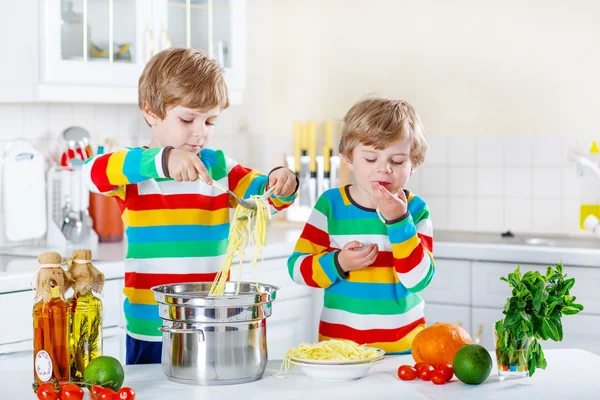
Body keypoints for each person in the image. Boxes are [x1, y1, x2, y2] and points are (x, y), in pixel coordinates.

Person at [83, 48, 299, 364]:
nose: (200, 132)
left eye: (210, 121)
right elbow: (92, 172)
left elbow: (268, 197)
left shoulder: (219, 168)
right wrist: (163, 160)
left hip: (212, 325)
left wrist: (284, 180)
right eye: (187, 118)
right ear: (151, 113)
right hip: (151, 329)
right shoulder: (137, 172)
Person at [287, 97, 434, 354]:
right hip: (340, 351)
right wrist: (338, 263)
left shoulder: (416, 209)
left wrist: (399, 221)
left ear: (413, 165)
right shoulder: (331, 205)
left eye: (397, 161)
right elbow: (297, 269)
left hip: (402, 351)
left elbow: (418, 280)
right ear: (349, 159)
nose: (384, 169)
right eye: (370, 158)